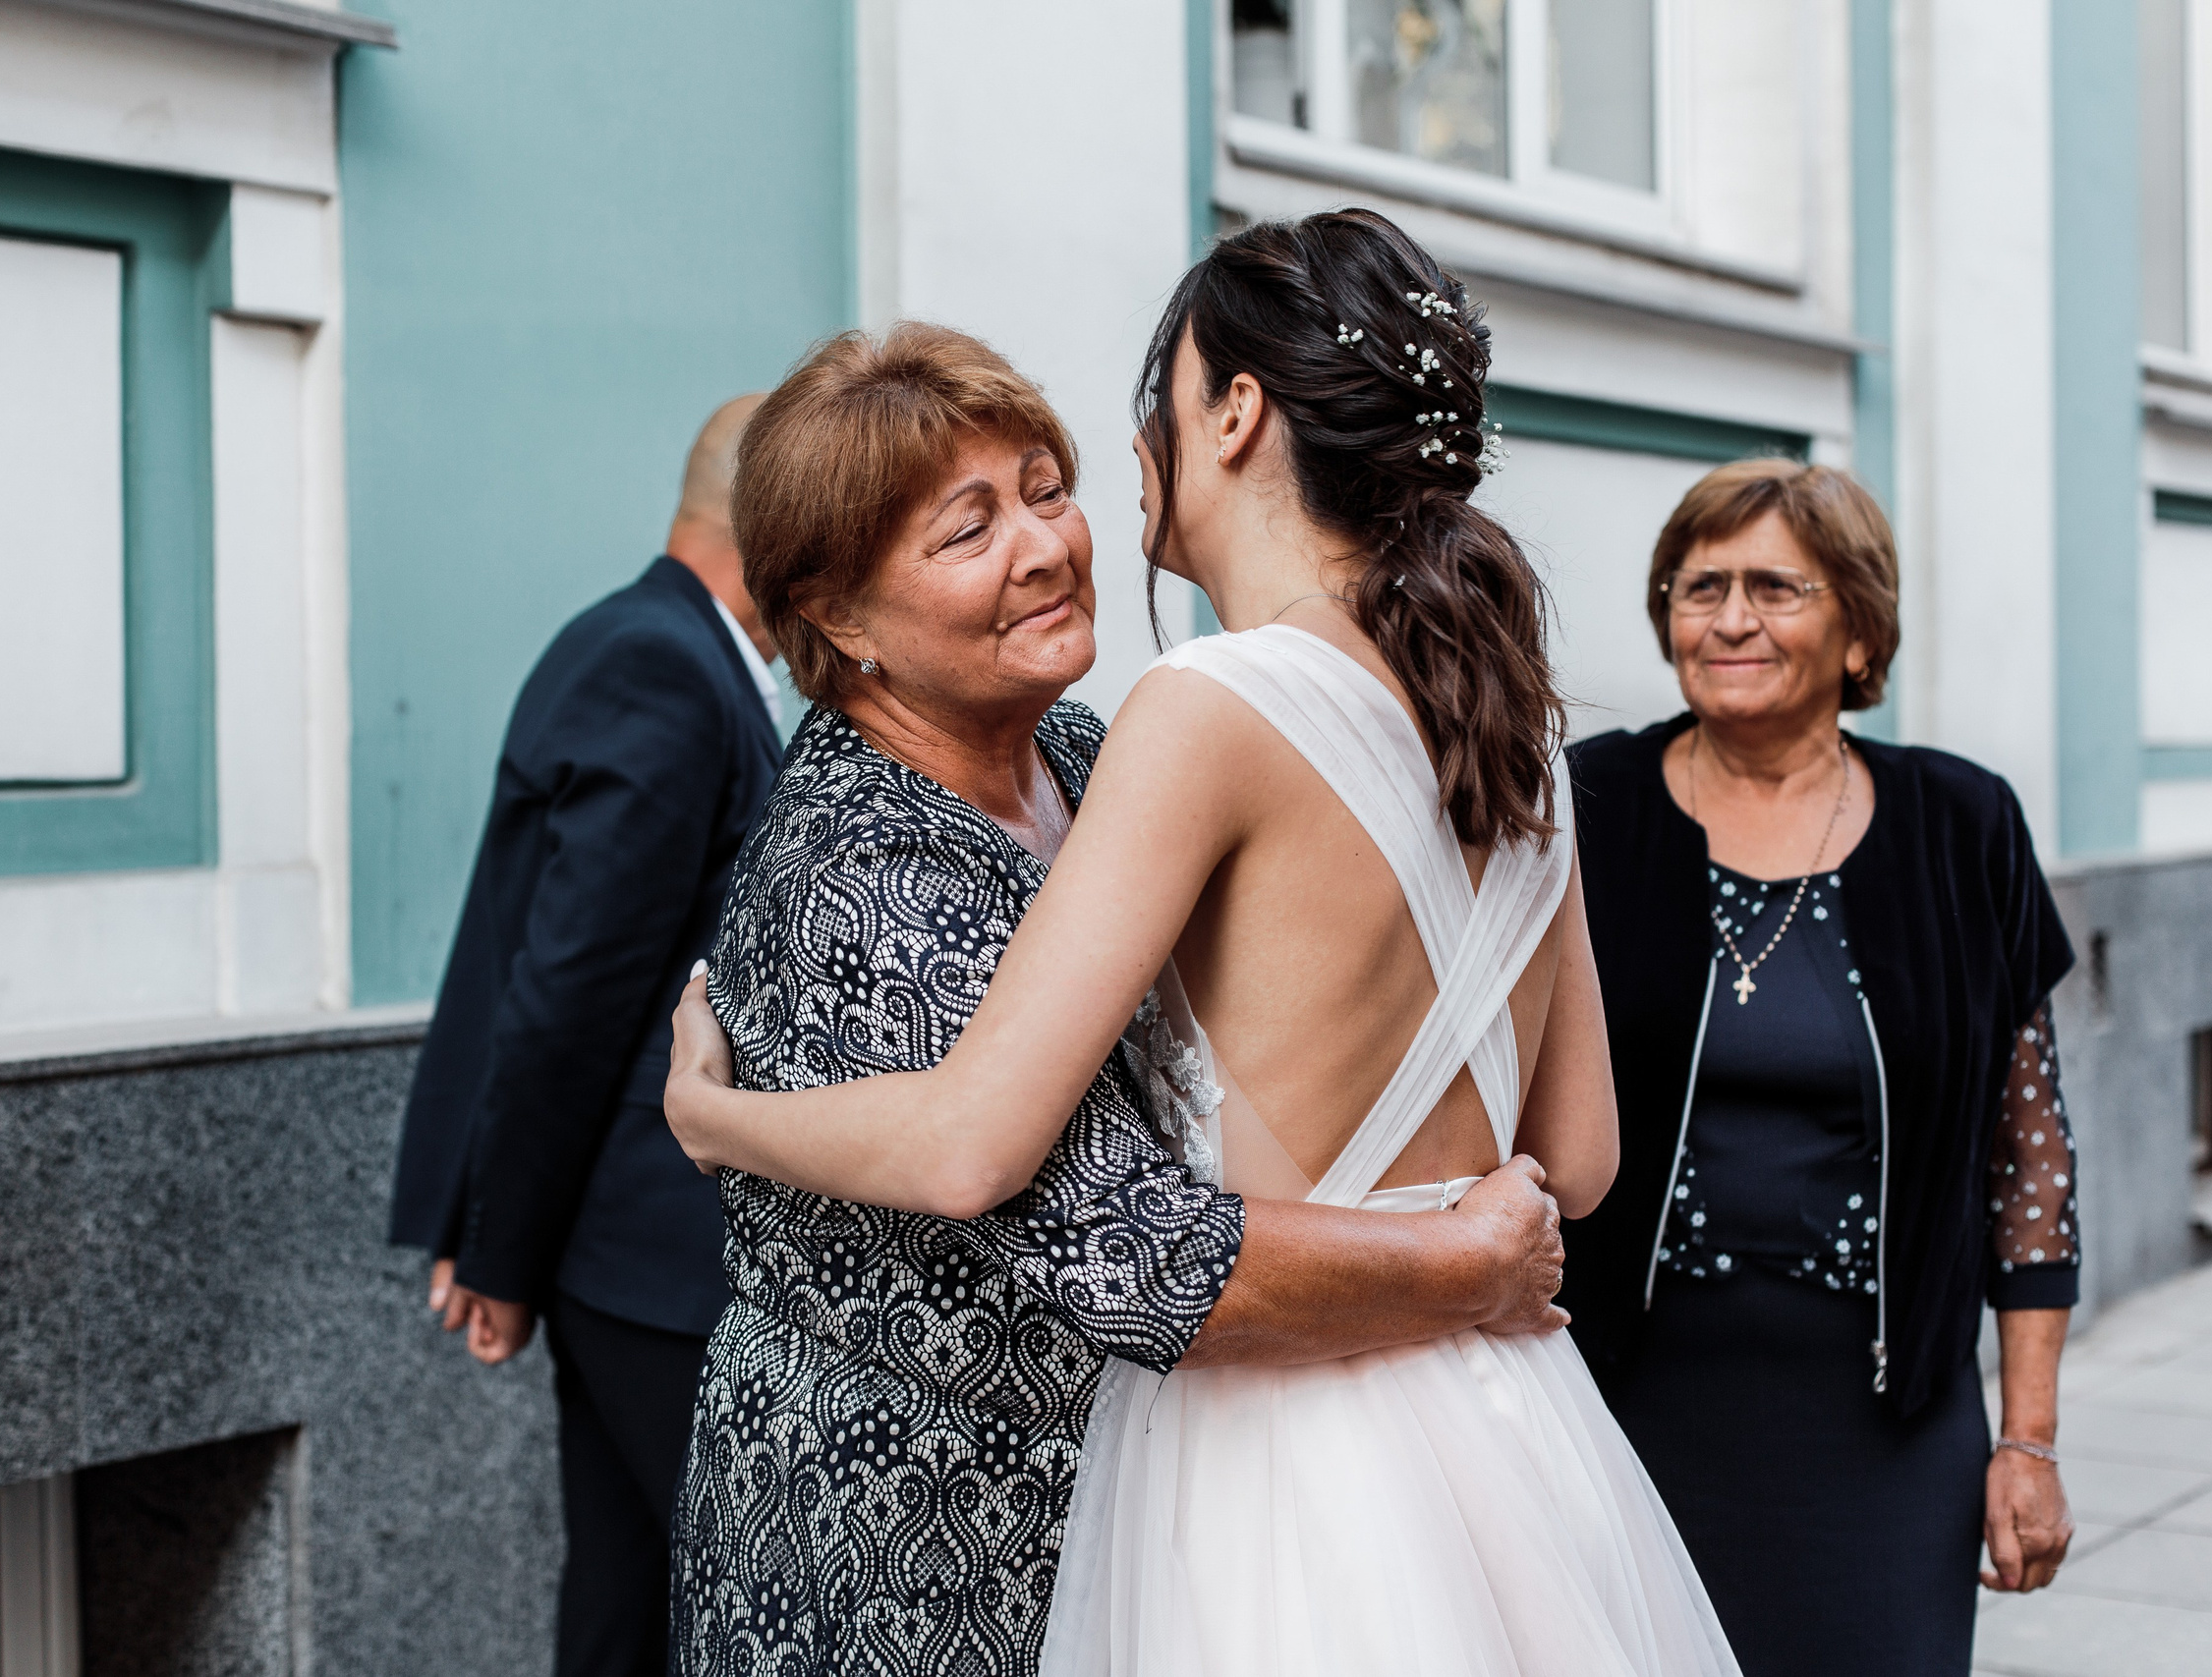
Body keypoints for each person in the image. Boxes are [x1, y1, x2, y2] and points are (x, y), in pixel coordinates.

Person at [666, 213, 1740, 1675]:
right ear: (838, 617)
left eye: (1047, 487)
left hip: (1277, 1444)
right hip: (975, 1536)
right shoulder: (1504, 712)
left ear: (1233, 409)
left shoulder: (1170, 721)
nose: (1054, 533)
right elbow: (1585, 1156)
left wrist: (717, 1117)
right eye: (972, 526)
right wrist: (1463, 1244)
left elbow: (983, 1144)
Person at [1558, 458, 2078, 1677]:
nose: (1729, 619)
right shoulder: (1588, 805)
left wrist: (2032, 1438)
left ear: (1858, 628)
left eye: (1775, 588)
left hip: (1882, 1420)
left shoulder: (1963, 825)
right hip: (1626, 1395)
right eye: (1700, 588)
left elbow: (2028, 1159)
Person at [384, 394, 784, 1677]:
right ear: (775, 523)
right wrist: (499, 1243)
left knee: (627, 1607)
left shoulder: (656, 644)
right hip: (647, 1249)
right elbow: (567, 984)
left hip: (626, 1245)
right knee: (736, 1606)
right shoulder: (662, 664)